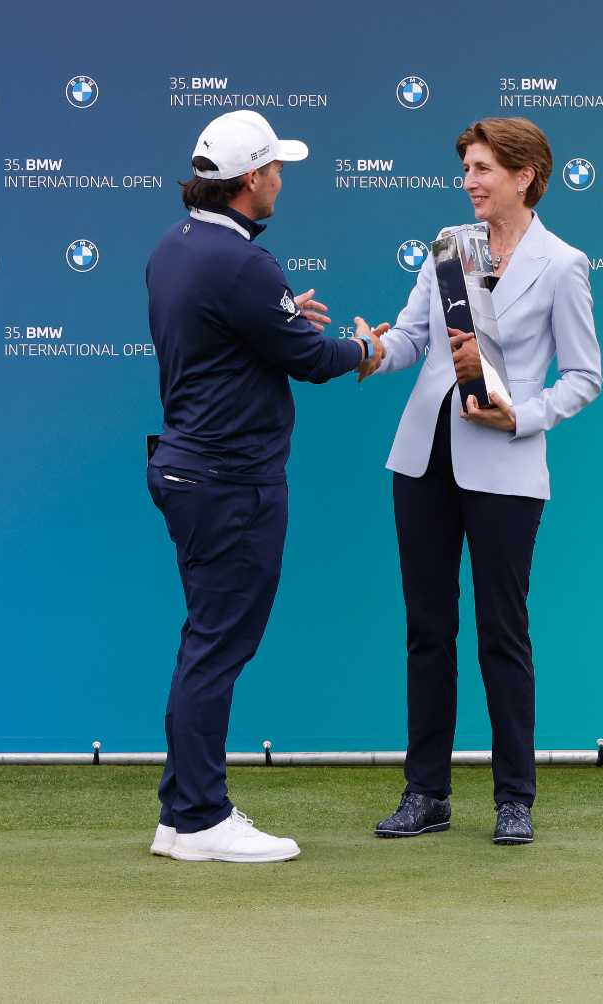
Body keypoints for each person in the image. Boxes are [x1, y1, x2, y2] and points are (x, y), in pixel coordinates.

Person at [142, 109, 389, 863]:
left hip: (191, 469)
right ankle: (199, 820)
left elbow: (243, 337)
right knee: (216, 648)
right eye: (276, 169)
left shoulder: (176, 247)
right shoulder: (243, 263)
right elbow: (311, 361)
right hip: (228, 480)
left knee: (206, 642)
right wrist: (364, 347)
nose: (282, 180)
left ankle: (180, 812)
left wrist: (287, 320)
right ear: (251, 179)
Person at [366, 117, 601, 846]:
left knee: (503, 633)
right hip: (422, 458)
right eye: (465, 168)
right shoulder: (447, 246)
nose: (467, 181)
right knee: (426, 631)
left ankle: (513, 800)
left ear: (524, 175)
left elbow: (585, 378)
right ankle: (424, 793)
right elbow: (411, 339)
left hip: (505, 464)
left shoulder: (562, 264)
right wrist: (367, 350)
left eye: (481, 169)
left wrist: (522, 416)